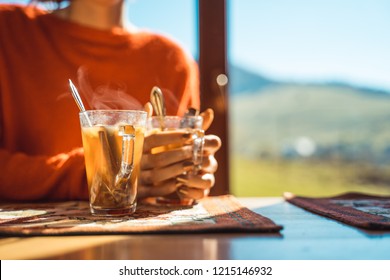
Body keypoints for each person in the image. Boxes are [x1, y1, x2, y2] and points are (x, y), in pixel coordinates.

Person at [0, 0, 221, 202]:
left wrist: (190, 175)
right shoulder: (8, 30)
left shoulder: (173, 61)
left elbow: (176, 181)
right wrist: (91, 173)